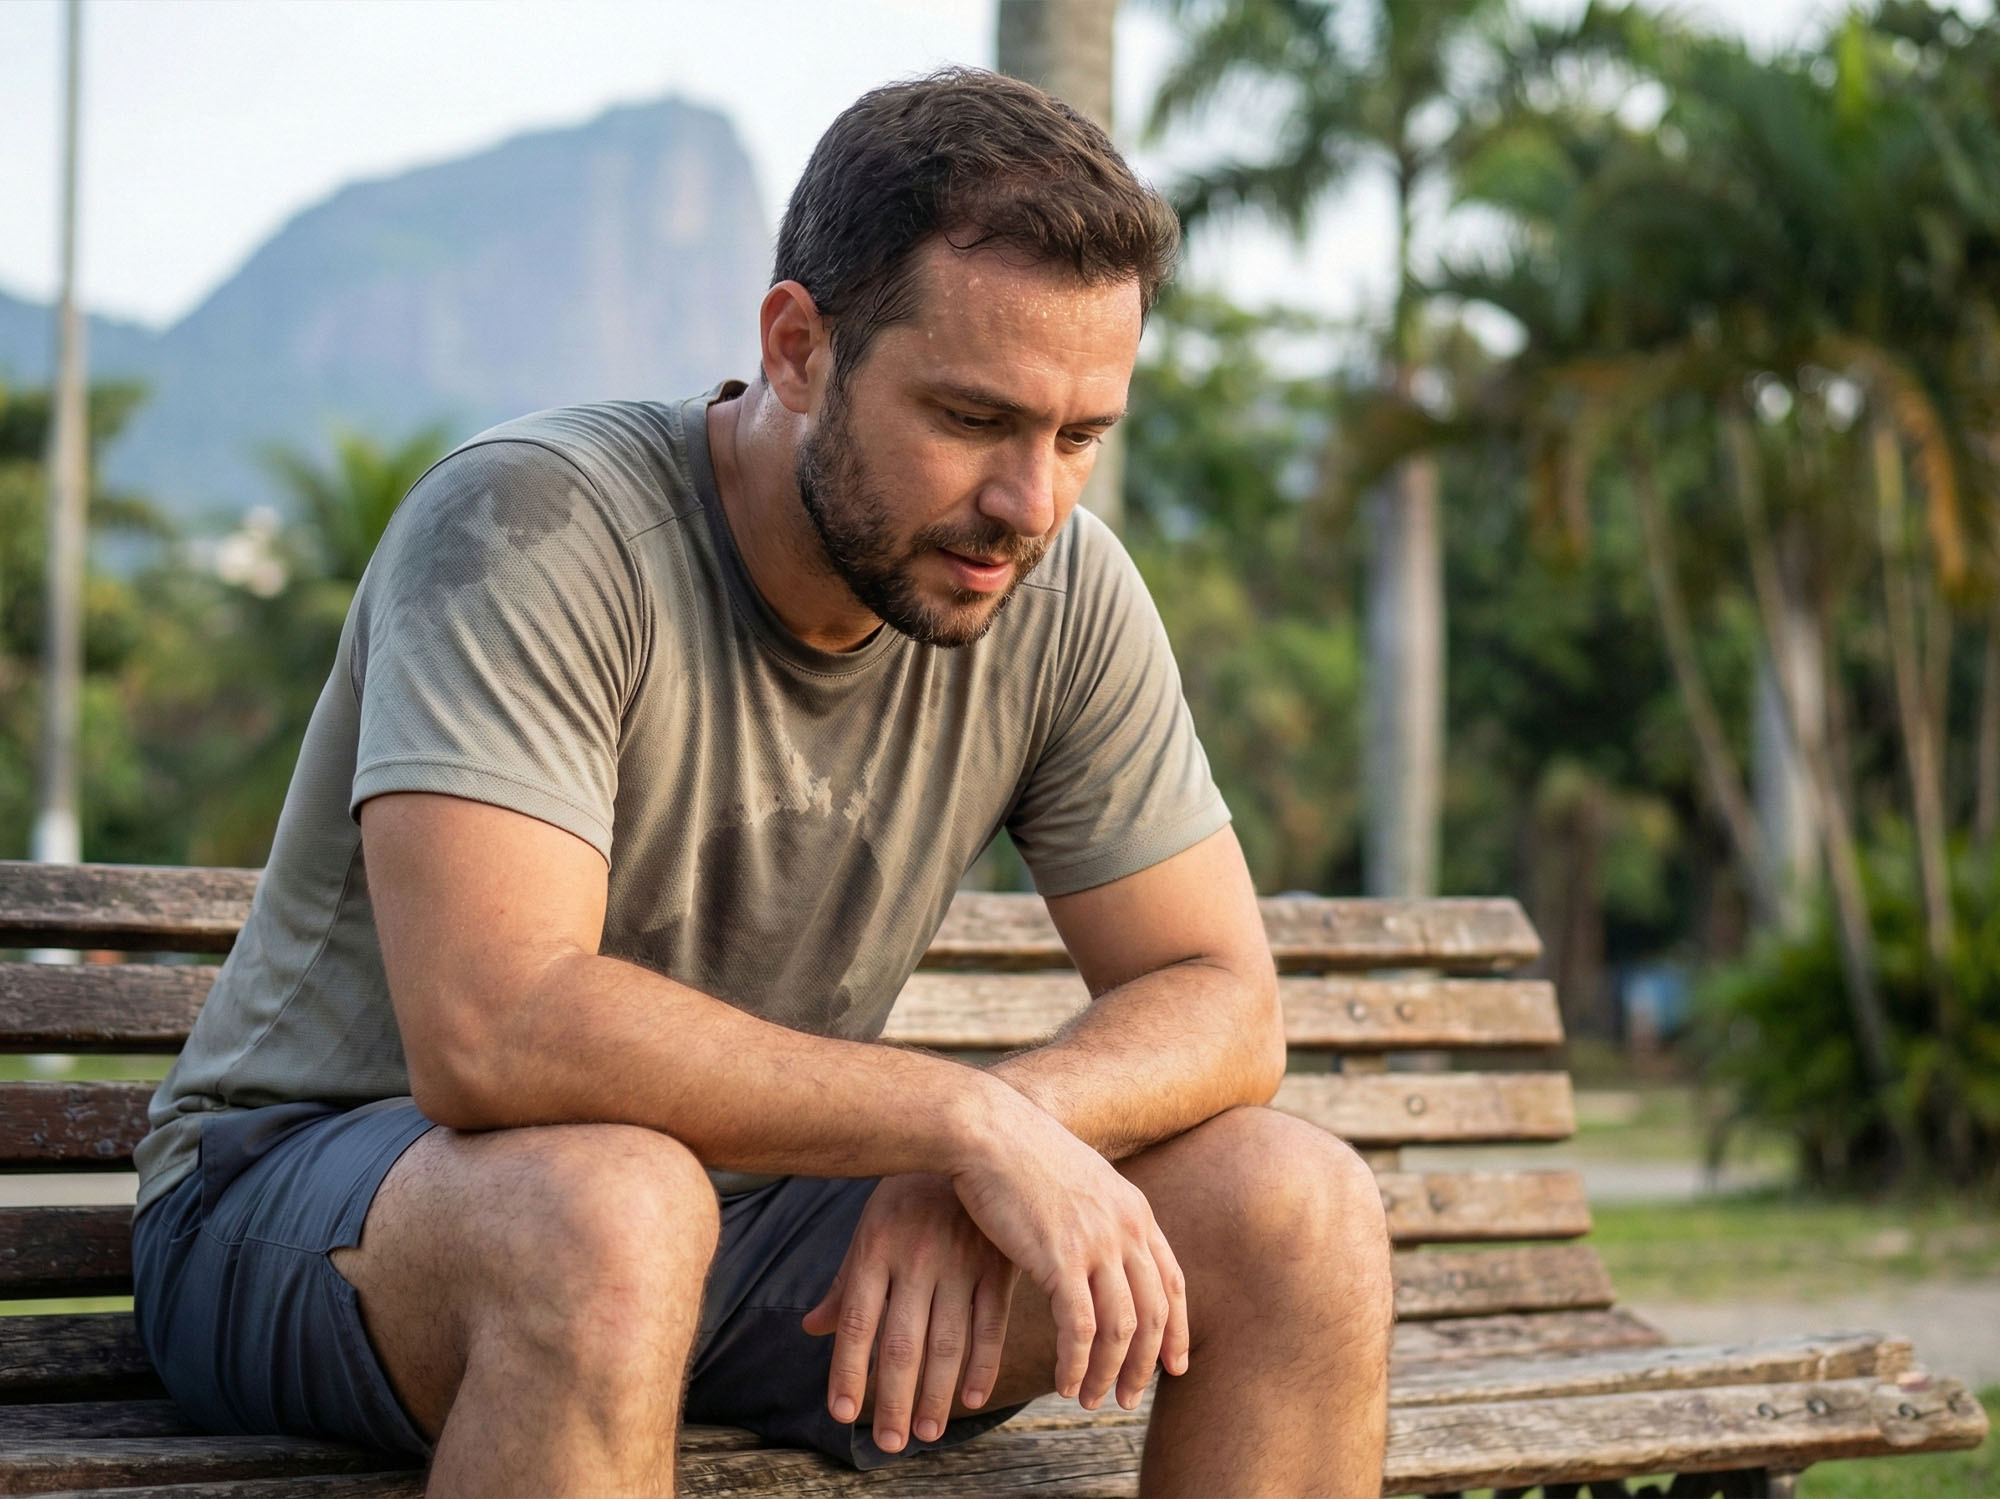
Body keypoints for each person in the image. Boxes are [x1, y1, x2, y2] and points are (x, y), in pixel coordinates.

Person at [131, 68, 1393, 1498]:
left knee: (1297, 1210)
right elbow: (496, 1031)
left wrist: (1012, 1130)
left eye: (1078, 437)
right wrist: (958, 1121)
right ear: (798, 348)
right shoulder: (534, 525)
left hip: (753, 1222)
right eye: (971, 418)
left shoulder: (1057, 593)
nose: (1028, 502)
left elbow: (1223, 996)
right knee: (616, 1212)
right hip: (321, 1204)